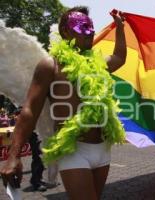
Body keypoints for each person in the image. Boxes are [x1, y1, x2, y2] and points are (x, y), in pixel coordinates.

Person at [0, 6, 126, 200]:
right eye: (84, 27)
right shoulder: (51, 65)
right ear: (66, 31)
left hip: (102, 149)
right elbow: (30, 110)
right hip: (73, 151)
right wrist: (13, 155)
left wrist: (120, 27)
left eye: (91, 27)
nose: (91, 33)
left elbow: (119, 57)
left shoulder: (97, 63)